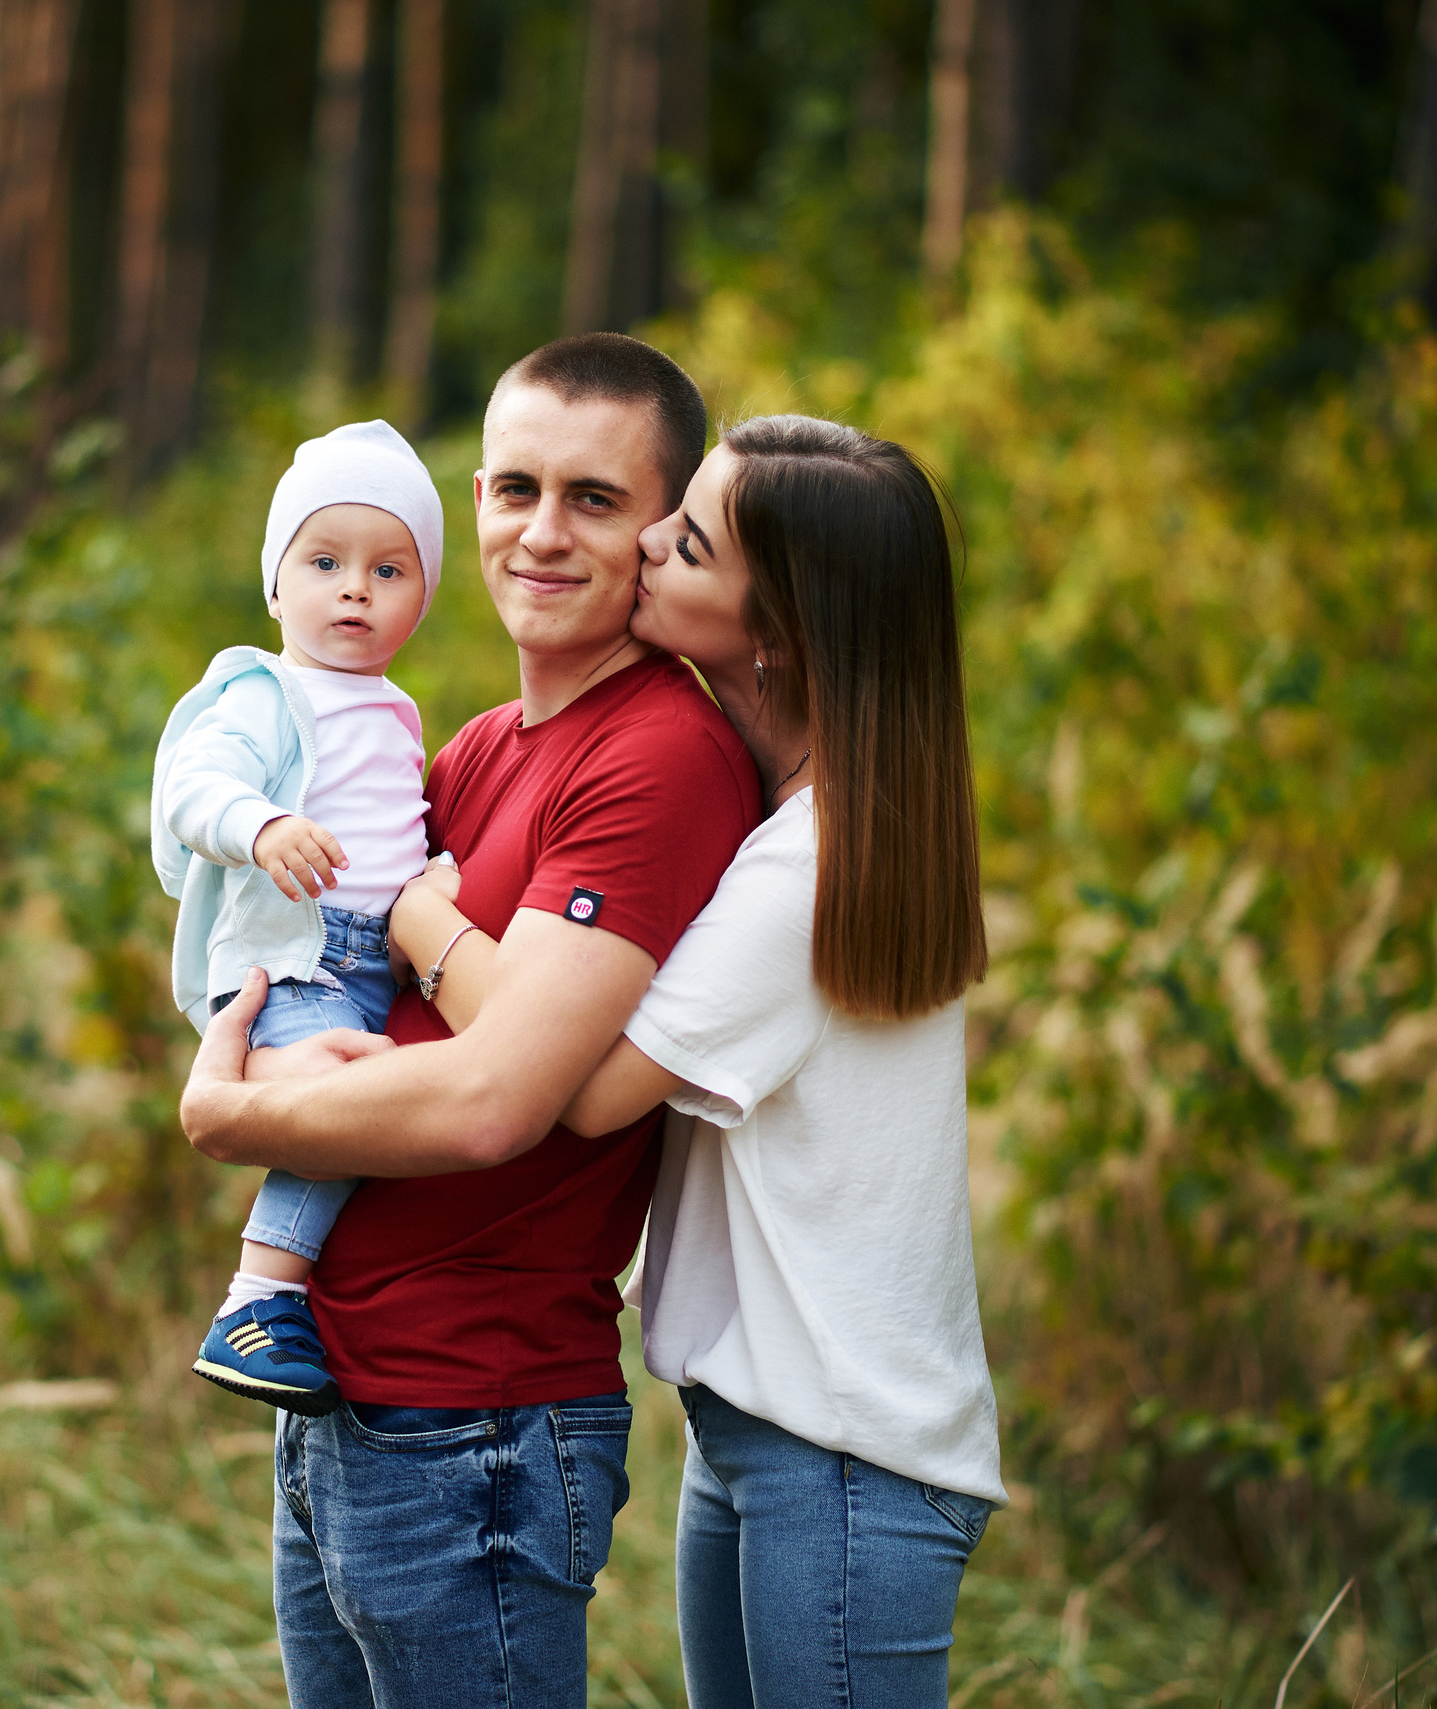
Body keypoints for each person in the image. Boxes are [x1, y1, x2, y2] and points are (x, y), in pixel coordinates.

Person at [381, 415, 1006, 1706]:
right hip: (772, 1435)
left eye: (691, 540)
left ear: (772, 625)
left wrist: (421, 915)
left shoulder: (804, 865)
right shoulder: (822, 818)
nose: (648, 542)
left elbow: (581, 1085)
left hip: (842, 1458)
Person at [178, 332, 762, 1708]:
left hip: (478, 1427)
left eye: (595, 500)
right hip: (347, 1400)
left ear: (664, 533)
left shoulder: (659, 758)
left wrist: (234, 1112)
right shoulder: (471, 746)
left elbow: (501, 1097)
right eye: (513, 489)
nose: (540, 534)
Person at [150, 419, 446, 1417]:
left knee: (367, 1113)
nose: (353, 587)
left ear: (423, 598)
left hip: (369, 962)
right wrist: (262, 820)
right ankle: (255, 1297)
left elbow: (391, 832)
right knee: (340, 1112)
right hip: (295, 954)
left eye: (387, 568)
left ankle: (288, 1297)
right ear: (277, 586)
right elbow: (197, 782)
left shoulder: (397, 710)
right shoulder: (267, 692)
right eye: (323, 561)